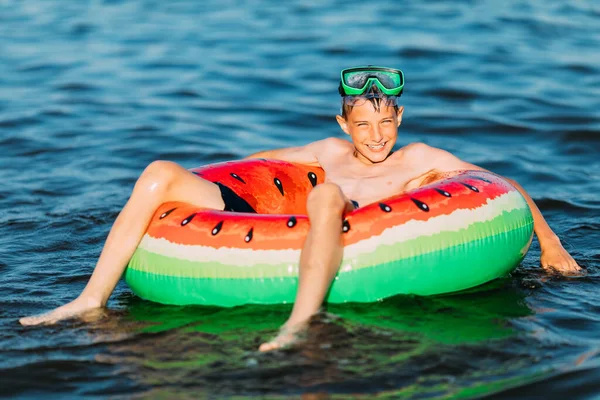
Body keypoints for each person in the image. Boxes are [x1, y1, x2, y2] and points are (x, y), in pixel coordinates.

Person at [20, 66, 581, 352]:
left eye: (386, 122)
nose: (376, 135)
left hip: (350, 222)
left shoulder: (420, 157)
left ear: (401, 118)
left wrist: (550, 243)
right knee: (159, 174)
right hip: (293, 219)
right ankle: (88, 301)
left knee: (326, 195)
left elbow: (495, 182)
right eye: (363, 124)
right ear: (343, 124)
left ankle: (299, 323)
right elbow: (255, 165)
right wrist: (203, 184)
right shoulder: (326, 151)